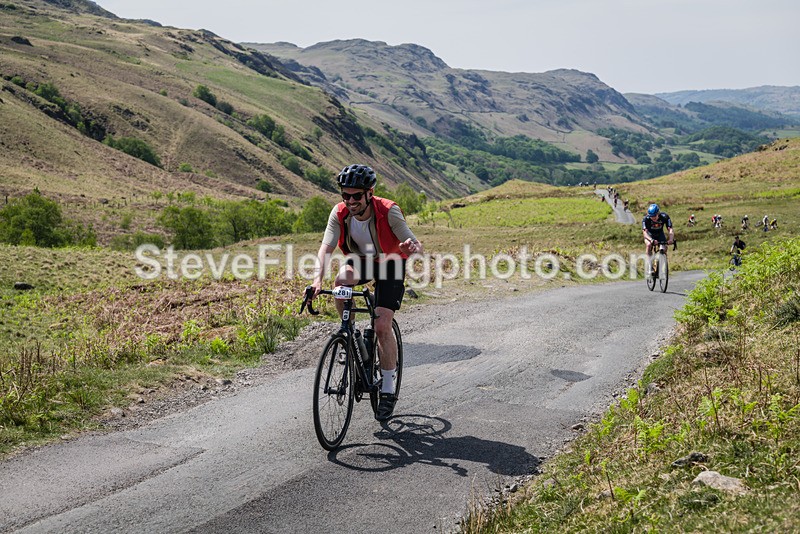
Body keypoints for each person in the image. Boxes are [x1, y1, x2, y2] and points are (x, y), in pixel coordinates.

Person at [310, 164, 422, 421]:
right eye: (345, 195)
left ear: (370, 193)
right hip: (362, 261)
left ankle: (388, 389)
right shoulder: (339, 214)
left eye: (356, 196)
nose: (350, 201)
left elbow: (415, 243)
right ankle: (350, 335)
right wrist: (317, 281)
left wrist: (411, 248)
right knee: (340, 282)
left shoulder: (389, 211)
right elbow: (325, 249)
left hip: (391, 263)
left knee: (382, 325)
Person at [642, 204, 674, 274]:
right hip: (649, 235)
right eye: (651, 216)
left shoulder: (664, 217)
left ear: (658, 213)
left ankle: (662, 266)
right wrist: (651, 240)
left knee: (664, 247)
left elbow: (670, 229)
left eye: (654, 216)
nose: (653, 218)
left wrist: (671, 239)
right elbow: (645, 233)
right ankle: (650, 266)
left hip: (660, 234)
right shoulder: (646, 219)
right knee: (649, 245)